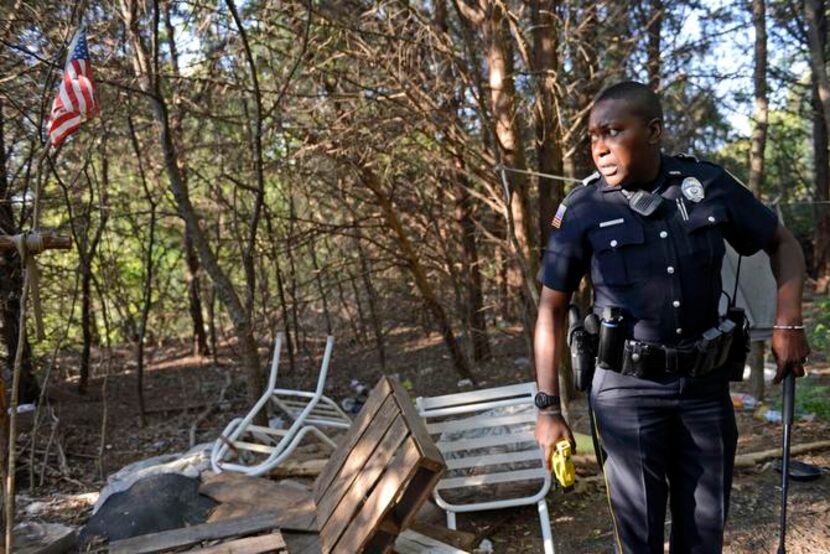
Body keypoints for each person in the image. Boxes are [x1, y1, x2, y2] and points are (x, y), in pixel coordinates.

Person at [532, 81, 810, 553]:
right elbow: (550, 309)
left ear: (654, 130)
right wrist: (548, 409)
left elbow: (783, 244)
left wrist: (788, 323)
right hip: (625, 395)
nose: (599, 148)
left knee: (703, 538)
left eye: (613, 132)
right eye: (593, 137)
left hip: (705, 390)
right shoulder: (582, 209)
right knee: (638, 540)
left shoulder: (706, 187)